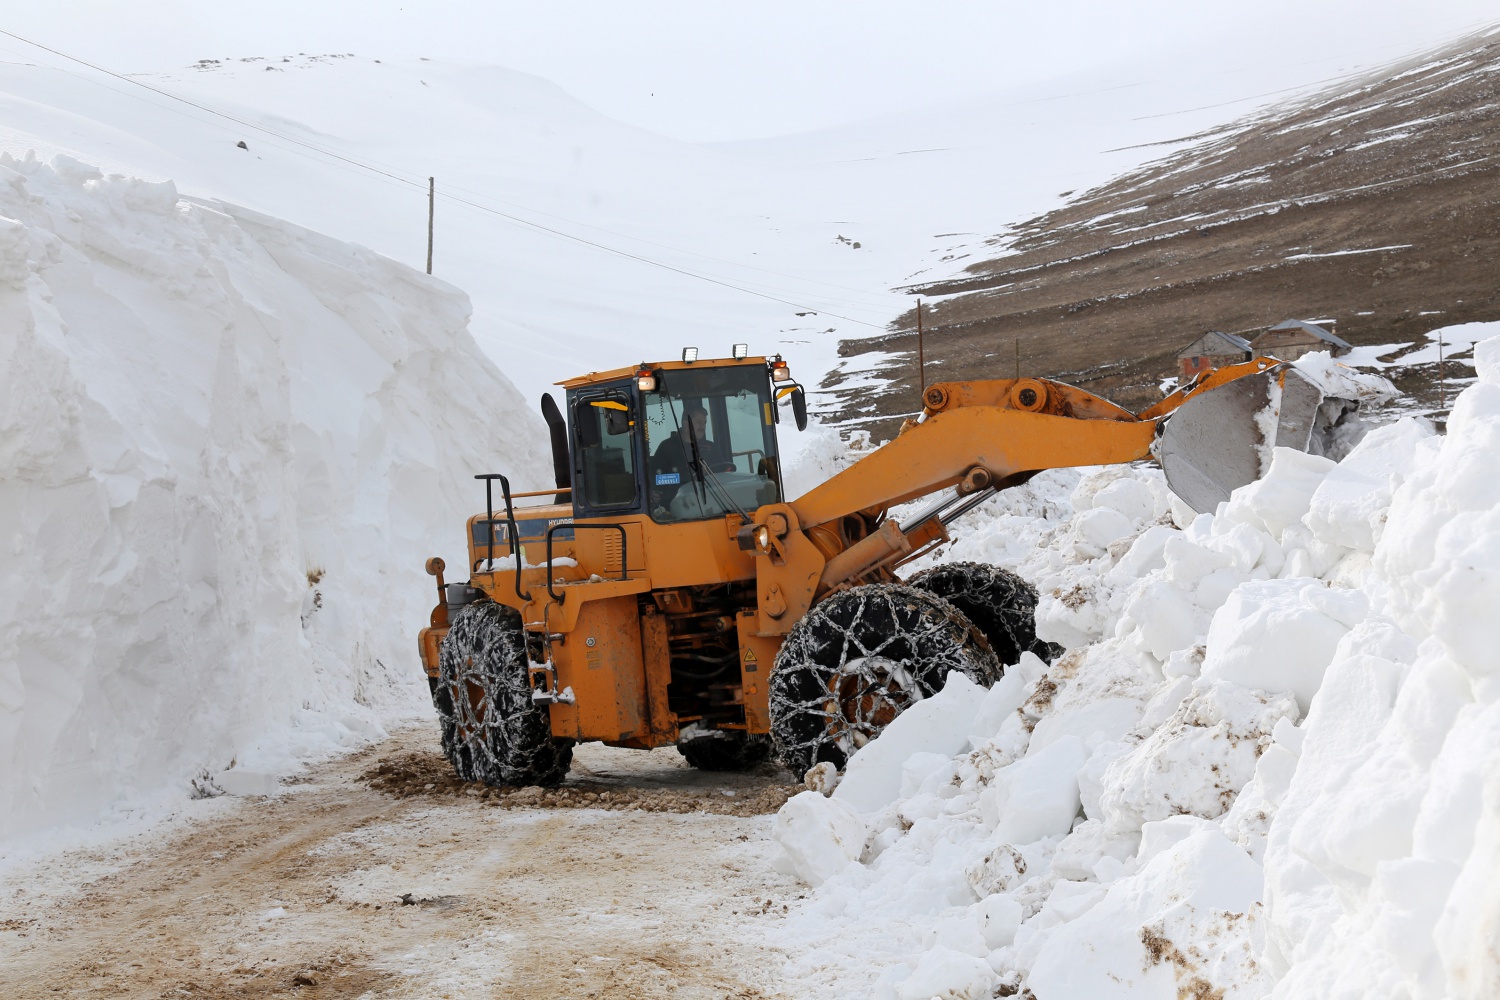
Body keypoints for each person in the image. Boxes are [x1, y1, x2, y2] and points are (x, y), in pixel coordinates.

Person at [650, 402, 730, 507]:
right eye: (698, 422)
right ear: (686, 423)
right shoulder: (667, 448)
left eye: (704, 423)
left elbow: (724, 476)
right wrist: (654, 492)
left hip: (711, 504)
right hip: (676, 507)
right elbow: (655, 479)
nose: (702, 426)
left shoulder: (711, 448)